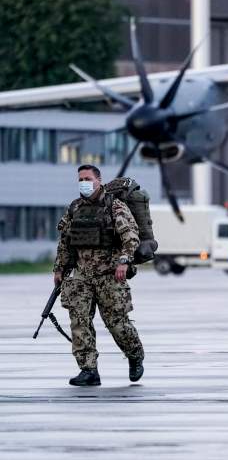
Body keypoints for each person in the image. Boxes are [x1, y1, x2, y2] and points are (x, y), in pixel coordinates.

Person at [53, 164, 145, 386]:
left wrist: (124, 261)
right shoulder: (74, 208)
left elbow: (131, 237)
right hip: (82, 275)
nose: (83, 182)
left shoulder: (115, 206)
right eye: (80, 179)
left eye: (87, 178)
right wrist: (59, 268)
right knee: (79, 320)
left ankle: (135, 355)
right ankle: (89, 370)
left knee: (117, 323)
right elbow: (65, 242)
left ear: (99, 180)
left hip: (110, 275)